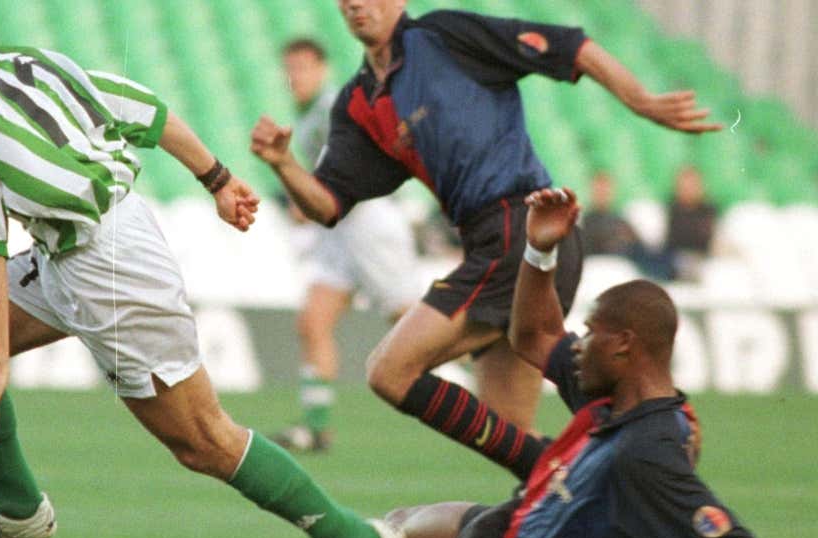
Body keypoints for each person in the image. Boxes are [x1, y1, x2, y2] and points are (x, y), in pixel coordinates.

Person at [24, 187, 768, 538]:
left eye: (595, 332)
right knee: (397, 532)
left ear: (628, 344)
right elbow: (536, 335)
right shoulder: (612, 395)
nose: (580, 344)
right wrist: (539, 256)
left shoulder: (651, 449)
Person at [0, 0, 400, 538]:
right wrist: (215, 177)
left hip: (105, 266)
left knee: (203, 441)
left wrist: (0, 365)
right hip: (73, 243)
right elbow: (134, 105)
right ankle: (16, 508)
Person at [250, 1, 722, 449]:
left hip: (522, 227)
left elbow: (567, 44)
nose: (356, 4)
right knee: (513, 432)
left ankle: (642, 427)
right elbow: (328, 204)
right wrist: (284, 164)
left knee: (390, 371)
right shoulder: (360, 102)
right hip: (494, 242)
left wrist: (640, 100)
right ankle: (622, 452)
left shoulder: (445, 37)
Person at [273, 38, 422, 452]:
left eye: (303, 67)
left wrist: (315, 196)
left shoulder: (332, 108)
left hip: (369, 222)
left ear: (321, 69)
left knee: (411, 323)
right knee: (313, 322)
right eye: (290, 68)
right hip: (337, 229)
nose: (295, 77)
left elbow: (365, 155)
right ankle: (316, 427)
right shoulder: (307, 117)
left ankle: (484, 364)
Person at [664, 165, 717, 282]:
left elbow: (707, 240)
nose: (688, 190)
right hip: (675, 260)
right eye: (684, 186)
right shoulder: (670, 209)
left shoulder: (708, 211)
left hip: (703, 259)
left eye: (692, 185)